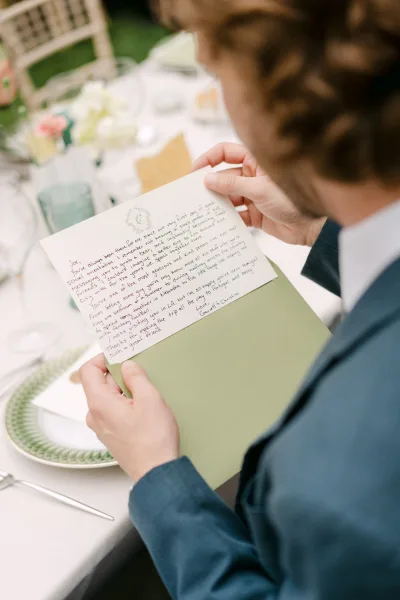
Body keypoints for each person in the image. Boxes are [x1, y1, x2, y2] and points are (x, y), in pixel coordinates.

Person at [80, 1, 400, 598]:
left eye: (218, 74)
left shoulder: (341, 475)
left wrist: (158, 473)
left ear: (282, 107)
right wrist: (316, 231)